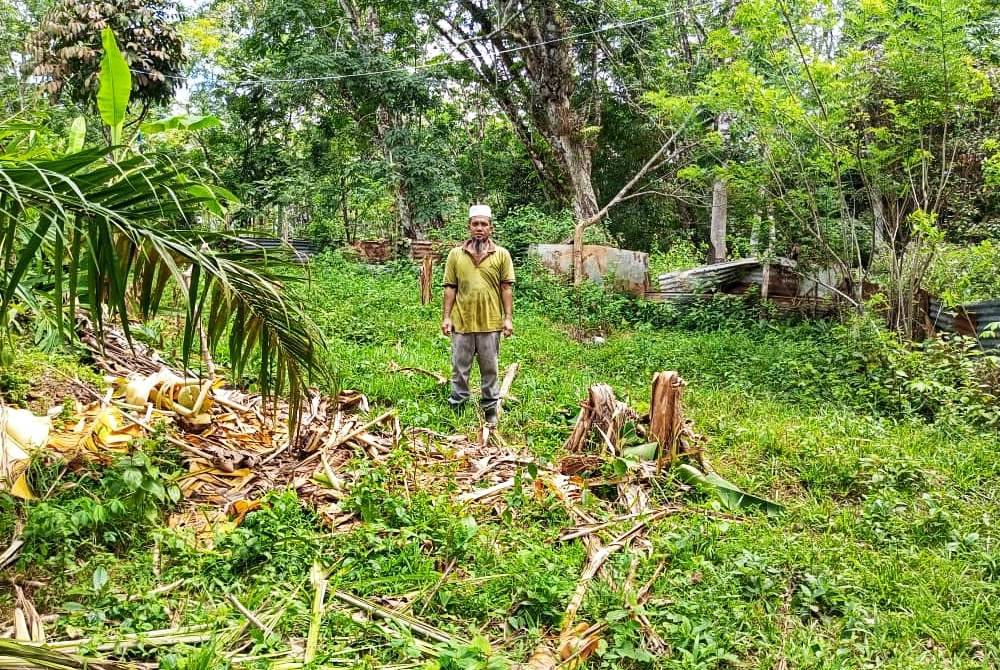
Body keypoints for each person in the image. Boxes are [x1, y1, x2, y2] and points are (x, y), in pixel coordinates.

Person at [441, 204, 515, 426]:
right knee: (459, 367)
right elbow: (450, 287)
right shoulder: (456, 255)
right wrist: (446, 317)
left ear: (490, 227)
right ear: (469, 227)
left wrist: (507, 318)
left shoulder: (501, 255)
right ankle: (458, 404)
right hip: (461, 321)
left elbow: (506, 288)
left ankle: (490, 408)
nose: (479, 228)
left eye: (484, 224)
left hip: (490, 323)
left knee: (489, 368)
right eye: (475, 224)